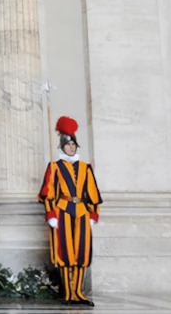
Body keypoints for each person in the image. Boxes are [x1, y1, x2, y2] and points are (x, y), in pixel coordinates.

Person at [37, 116, 103, 306]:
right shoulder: (55, 167)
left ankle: (78, 292)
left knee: (81, 252)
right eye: (67, 145)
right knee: (65, 251)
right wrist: (51, 214)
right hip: (63, 211)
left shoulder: (85, 168)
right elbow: (48, 194)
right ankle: (68, 292)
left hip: (82, 212)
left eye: (73, 145)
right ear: (62, 147)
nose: (71, 148)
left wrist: (93, 214)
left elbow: (93, 194)